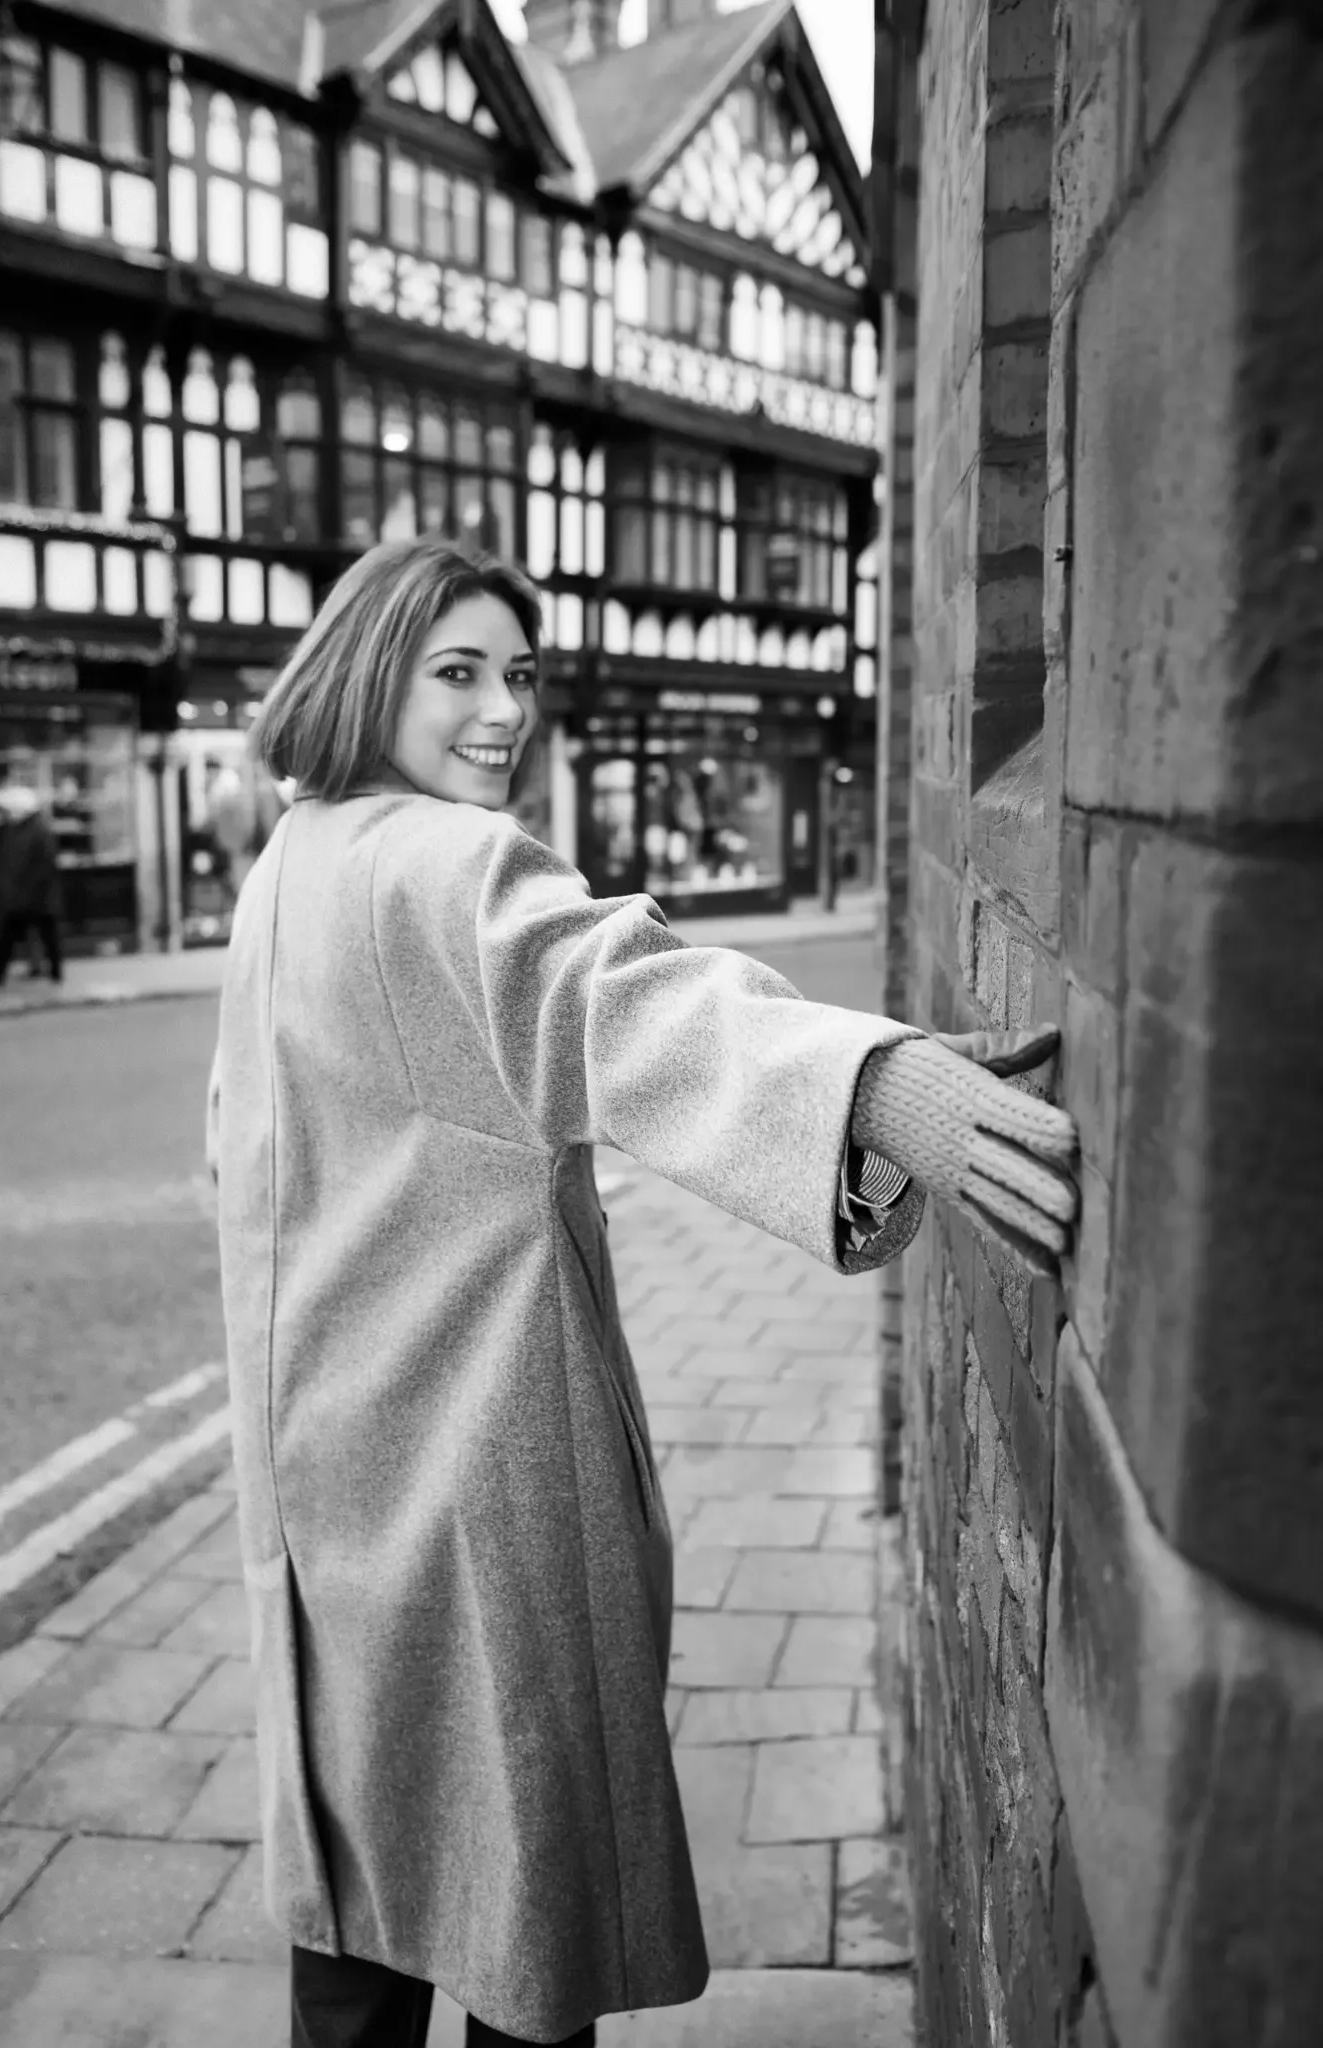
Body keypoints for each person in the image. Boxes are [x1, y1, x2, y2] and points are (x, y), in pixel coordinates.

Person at [206, 538, 1077, 2048]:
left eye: (521, 675)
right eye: (458, 671)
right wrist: (879, 1088)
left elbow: (245, 1158)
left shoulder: (290, 866)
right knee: (526, 1908)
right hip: (478, 1476)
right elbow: (617, 990)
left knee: (362, 1924)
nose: (503, 712)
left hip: (324, 1486)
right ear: (367, 672)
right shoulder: (446, 862)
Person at [0, 784, 63, 986]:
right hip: (22, 896)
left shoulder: (37, 831)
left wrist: (21, 889)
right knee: (13, 935)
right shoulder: (13, 830)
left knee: (44, 935)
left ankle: (54, 972)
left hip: (35, 897)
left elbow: (44, 865)